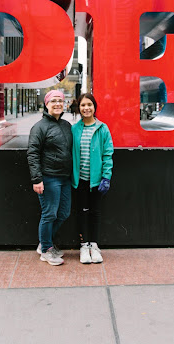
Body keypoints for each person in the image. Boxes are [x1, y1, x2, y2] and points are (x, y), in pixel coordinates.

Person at [27, 89, 73, 266]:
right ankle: (46, 249)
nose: (57, 104)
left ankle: (43, 244)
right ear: (46, 104)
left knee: (63, 213)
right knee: (49, 214)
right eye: (53, 101)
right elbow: (33, 154)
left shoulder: (66, 125)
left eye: (60, 101)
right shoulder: (39, 127)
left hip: (65, 178)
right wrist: (37, 179)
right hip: (48, 178)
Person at [71, 92, 114, 264]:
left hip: (97, 181)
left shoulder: (103, 129)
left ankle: (94, 246)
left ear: (94, 107)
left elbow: (108, 154)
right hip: (79, 180)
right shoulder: (74, 129)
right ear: (79, 108)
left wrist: (106, 177)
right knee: (81, 212)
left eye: (89, 104)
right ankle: (84, 246)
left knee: (95, 212)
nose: (86, 108)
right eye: (83, 105)